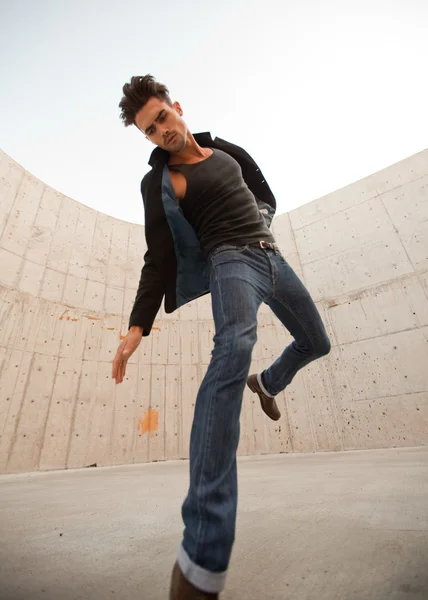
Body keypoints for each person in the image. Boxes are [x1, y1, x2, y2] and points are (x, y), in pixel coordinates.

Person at [112, 75, 331, 599]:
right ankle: (201, 554)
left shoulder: (225, 148)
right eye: (149, 130)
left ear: (177, 109)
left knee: (317, 341)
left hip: (272, 257)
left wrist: (265, 217)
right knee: (231, 350)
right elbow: (157, 257)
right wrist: (137, 324)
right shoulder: (160, 183)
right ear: (146, 139)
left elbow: (261, 187)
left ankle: (270, 383)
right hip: (230, 261)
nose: (160, 131)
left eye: (162, 118)